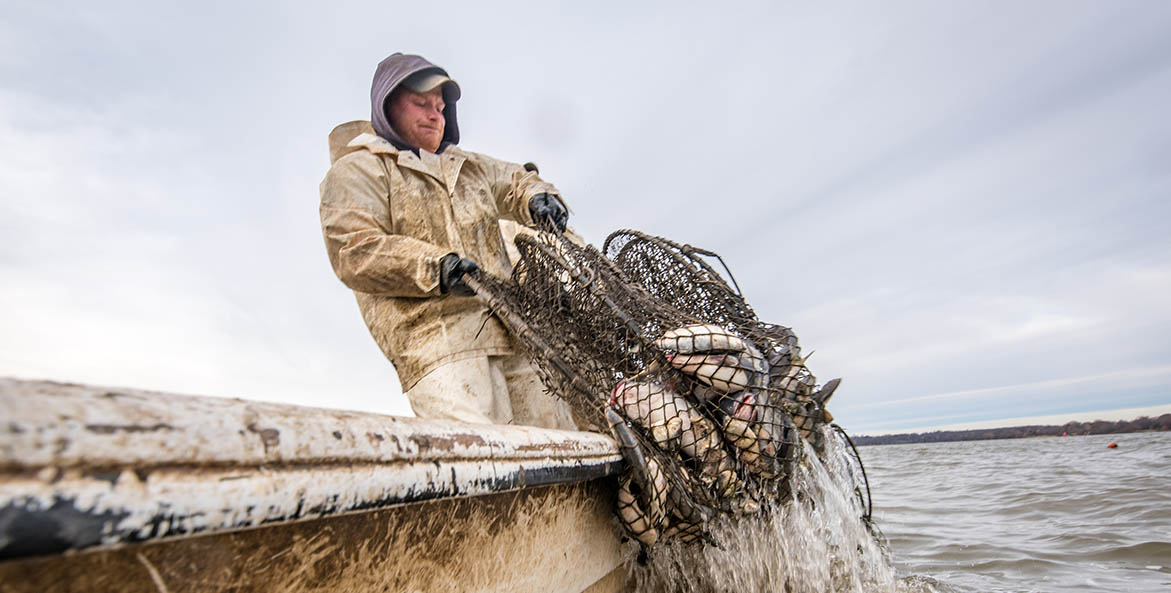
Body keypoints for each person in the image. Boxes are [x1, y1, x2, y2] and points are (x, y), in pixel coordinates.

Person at [319, 52, 577, 430]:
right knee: (484, 462)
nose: (434, 114)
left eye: (440, 107)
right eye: (421, 104)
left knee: (559, 450)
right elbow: (355, 249)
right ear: (387, 107)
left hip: (516, 337)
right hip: (439, 347)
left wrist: (538, 196)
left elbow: (516, 179)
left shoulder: (469, 166)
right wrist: (436, 267)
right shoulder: (359, 169)